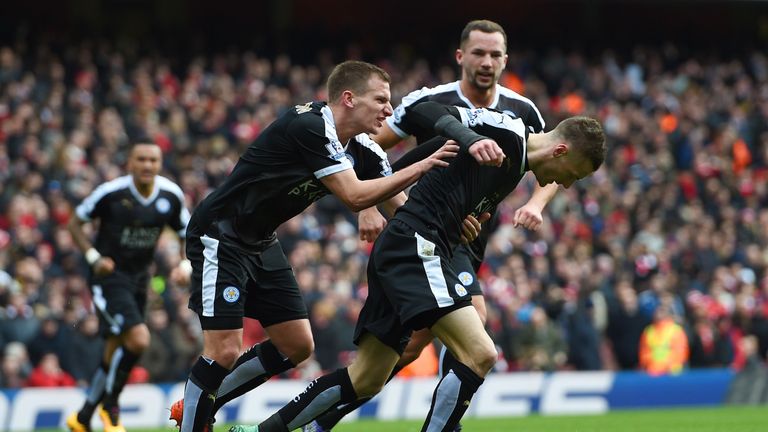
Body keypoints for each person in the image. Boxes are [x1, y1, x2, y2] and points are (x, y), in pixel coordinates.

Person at [228, 102, 606, 432]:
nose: (569, 185)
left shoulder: (515, 163)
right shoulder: (506, 133)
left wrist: (460, 217)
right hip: (416, 246)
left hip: (409, 245)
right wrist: (470, 138)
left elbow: (425, 157)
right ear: (560, 151)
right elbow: (423, 112)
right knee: (481, 353)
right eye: (576, 174)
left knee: (367, 379)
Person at [169, 60, 459, 432]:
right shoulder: (309, 125)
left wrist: (450, 223)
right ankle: (195, 416)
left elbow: (403, 210)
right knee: (224, 350)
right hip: (220, 231)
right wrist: (421, 166)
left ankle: (200, 399)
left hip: (261, 239)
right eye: (381, 99)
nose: (390, 109)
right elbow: (354, 195)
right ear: (349, 98)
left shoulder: (365, 150)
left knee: (296, 346)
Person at [308, 19, 555, 431]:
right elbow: (365, 144)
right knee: (472, 319)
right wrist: (366, 204)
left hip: (468, 239)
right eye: (478, 53)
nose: (487, 62)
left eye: (495, 55)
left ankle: (325, 416)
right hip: (424, 229)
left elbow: (554, 163)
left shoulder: (522, 110)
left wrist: (537, 202)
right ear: (461, 56)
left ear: (505, 60)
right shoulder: (432, 100)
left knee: (410, 346)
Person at [66, 140, 191, 432]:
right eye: (141, 159)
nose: (147, 165)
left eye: (153, 160)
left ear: (160, 164)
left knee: (114, 348)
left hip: (139, 280)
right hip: (108, 279)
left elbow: (187, 231)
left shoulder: (170, 195)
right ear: (130, 163)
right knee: (138, 340)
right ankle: (111, 408)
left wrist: (184, 263)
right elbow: (74, 223)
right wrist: (93, 257)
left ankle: (82, 418)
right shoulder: (111, 194)